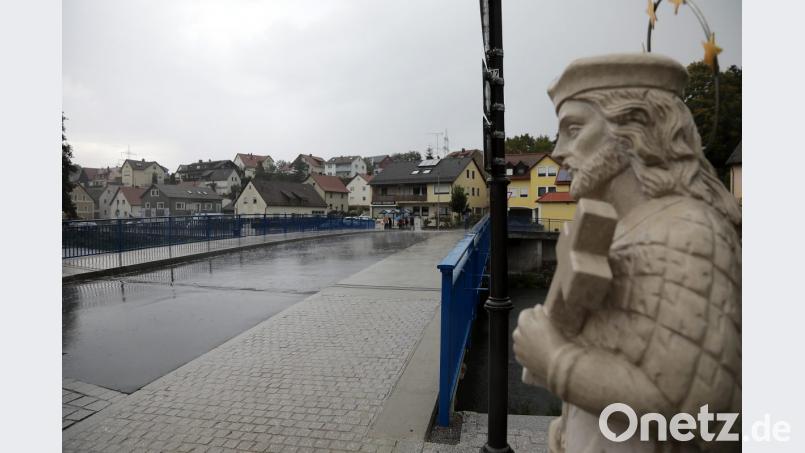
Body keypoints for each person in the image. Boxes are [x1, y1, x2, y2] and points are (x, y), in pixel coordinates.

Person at [512, 54, 741, 453]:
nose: (559, 151)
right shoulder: (620, 231)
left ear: (633, 126)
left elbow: (705, 416)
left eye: (574, 129)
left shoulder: (690, 233)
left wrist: (554, 360)